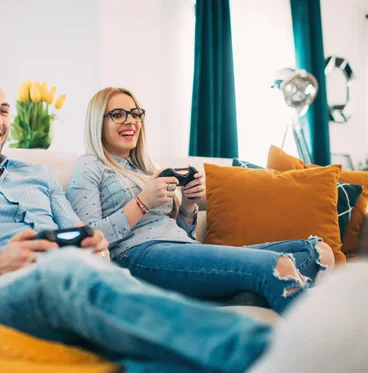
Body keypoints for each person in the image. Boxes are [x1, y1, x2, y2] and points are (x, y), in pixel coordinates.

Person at [0, 73, 276, 373]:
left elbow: (84, 233)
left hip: (74, 273)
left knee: (91, 276)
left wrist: (93, 244)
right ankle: (270, 355)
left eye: (3, 109)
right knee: (68, 275)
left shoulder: (38, 175)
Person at [65, 87, 335, 315]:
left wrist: (189, 204)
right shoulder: (90, 165)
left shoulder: (147, 168)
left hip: (178, 250)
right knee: (277, 266)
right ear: (97, 122)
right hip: (136, 256)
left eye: (136, 114)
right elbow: (88, 240)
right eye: (118, 114)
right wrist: (142, 202)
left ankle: (237, 298)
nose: (131, 121)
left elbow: (181, 236)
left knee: (319, 252)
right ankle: (320, 360)